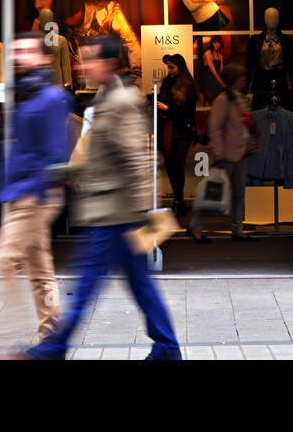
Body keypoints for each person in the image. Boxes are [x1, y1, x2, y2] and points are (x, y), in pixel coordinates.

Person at [23, 36, 181, 361]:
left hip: (114, 214)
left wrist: (143, 211)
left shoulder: (120, 101)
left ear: (108, 63)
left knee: (84, 286)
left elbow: (136, 159)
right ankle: (166, 347)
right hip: (116, 213)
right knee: (140, 285)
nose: (82, 66)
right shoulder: (105, 96)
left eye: (89, 59)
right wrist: (67, 173)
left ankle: (53, 349)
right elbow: (105, 158)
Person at [0, 32, 70, 345]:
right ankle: (52, 337)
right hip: (20, 192)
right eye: (14, 51)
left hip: (35, 194)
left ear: (44, 58)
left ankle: (7, 341)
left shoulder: (49, 97)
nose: (17, 56)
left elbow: (54, 150)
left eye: (25, 50)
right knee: (40, 271)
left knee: (2, 261)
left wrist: (36, 190)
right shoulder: (23, 94)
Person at [189, 62, 252, 244]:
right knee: (213, 192)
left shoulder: (240, 98)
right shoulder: (223, 100)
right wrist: (218, 153)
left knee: (238, 193)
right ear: (234, 80)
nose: (244, 80)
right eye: (241, 77)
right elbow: (215, 128)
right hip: (226, 154)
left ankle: (237, 229)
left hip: (240, 153)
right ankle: (196, 226)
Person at [156, 53, 197, 220]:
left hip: (182, 130)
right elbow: (162, 102)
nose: (169, 70)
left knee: (177, 165)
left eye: (172, 67)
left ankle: (178, 200)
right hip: (167, 128)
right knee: (170, 165)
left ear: (179, 67)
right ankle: (178, 200)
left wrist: (167, 109)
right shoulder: (167, 82)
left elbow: (188, 112)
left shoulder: (188, 84)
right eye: (168, 67)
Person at [198, 36, 224, 107]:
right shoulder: (207, 54)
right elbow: (214, 72)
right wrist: (222, 84)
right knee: (221, 89)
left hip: (217, 78)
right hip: (210, 79)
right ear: (212, 43)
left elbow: (221, 71)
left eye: (219, 43)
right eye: (215, 43)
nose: (217, 45)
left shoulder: (220, 55)